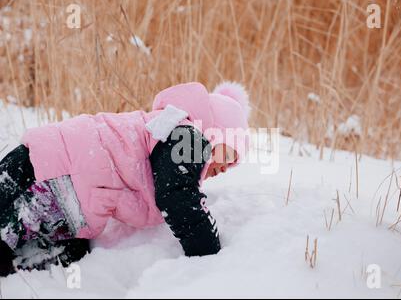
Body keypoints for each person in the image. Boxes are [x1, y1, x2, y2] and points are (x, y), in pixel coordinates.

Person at [0, 81, 251, 276]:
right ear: (215, 132)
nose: (228, 167)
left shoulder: (164, 125)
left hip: (48, 168)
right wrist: (209, 253)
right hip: (57, 178)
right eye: (230, 153)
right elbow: (178, 197)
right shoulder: (188, 135)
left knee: (68, 252)